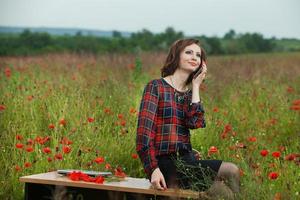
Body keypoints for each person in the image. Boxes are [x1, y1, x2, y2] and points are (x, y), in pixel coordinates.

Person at [136, 39, 240, 197]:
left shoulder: (190, 94)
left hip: (187, 160)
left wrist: (196, 86)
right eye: (189, 52)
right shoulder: (156, 87)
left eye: (198, 55)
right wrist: (153, 170)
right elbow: (143, 135)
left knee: (226, 189)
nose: (194, 57)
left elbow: (195, 123)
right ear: (176, 56)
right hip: (165, 164)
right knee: (228, 175)